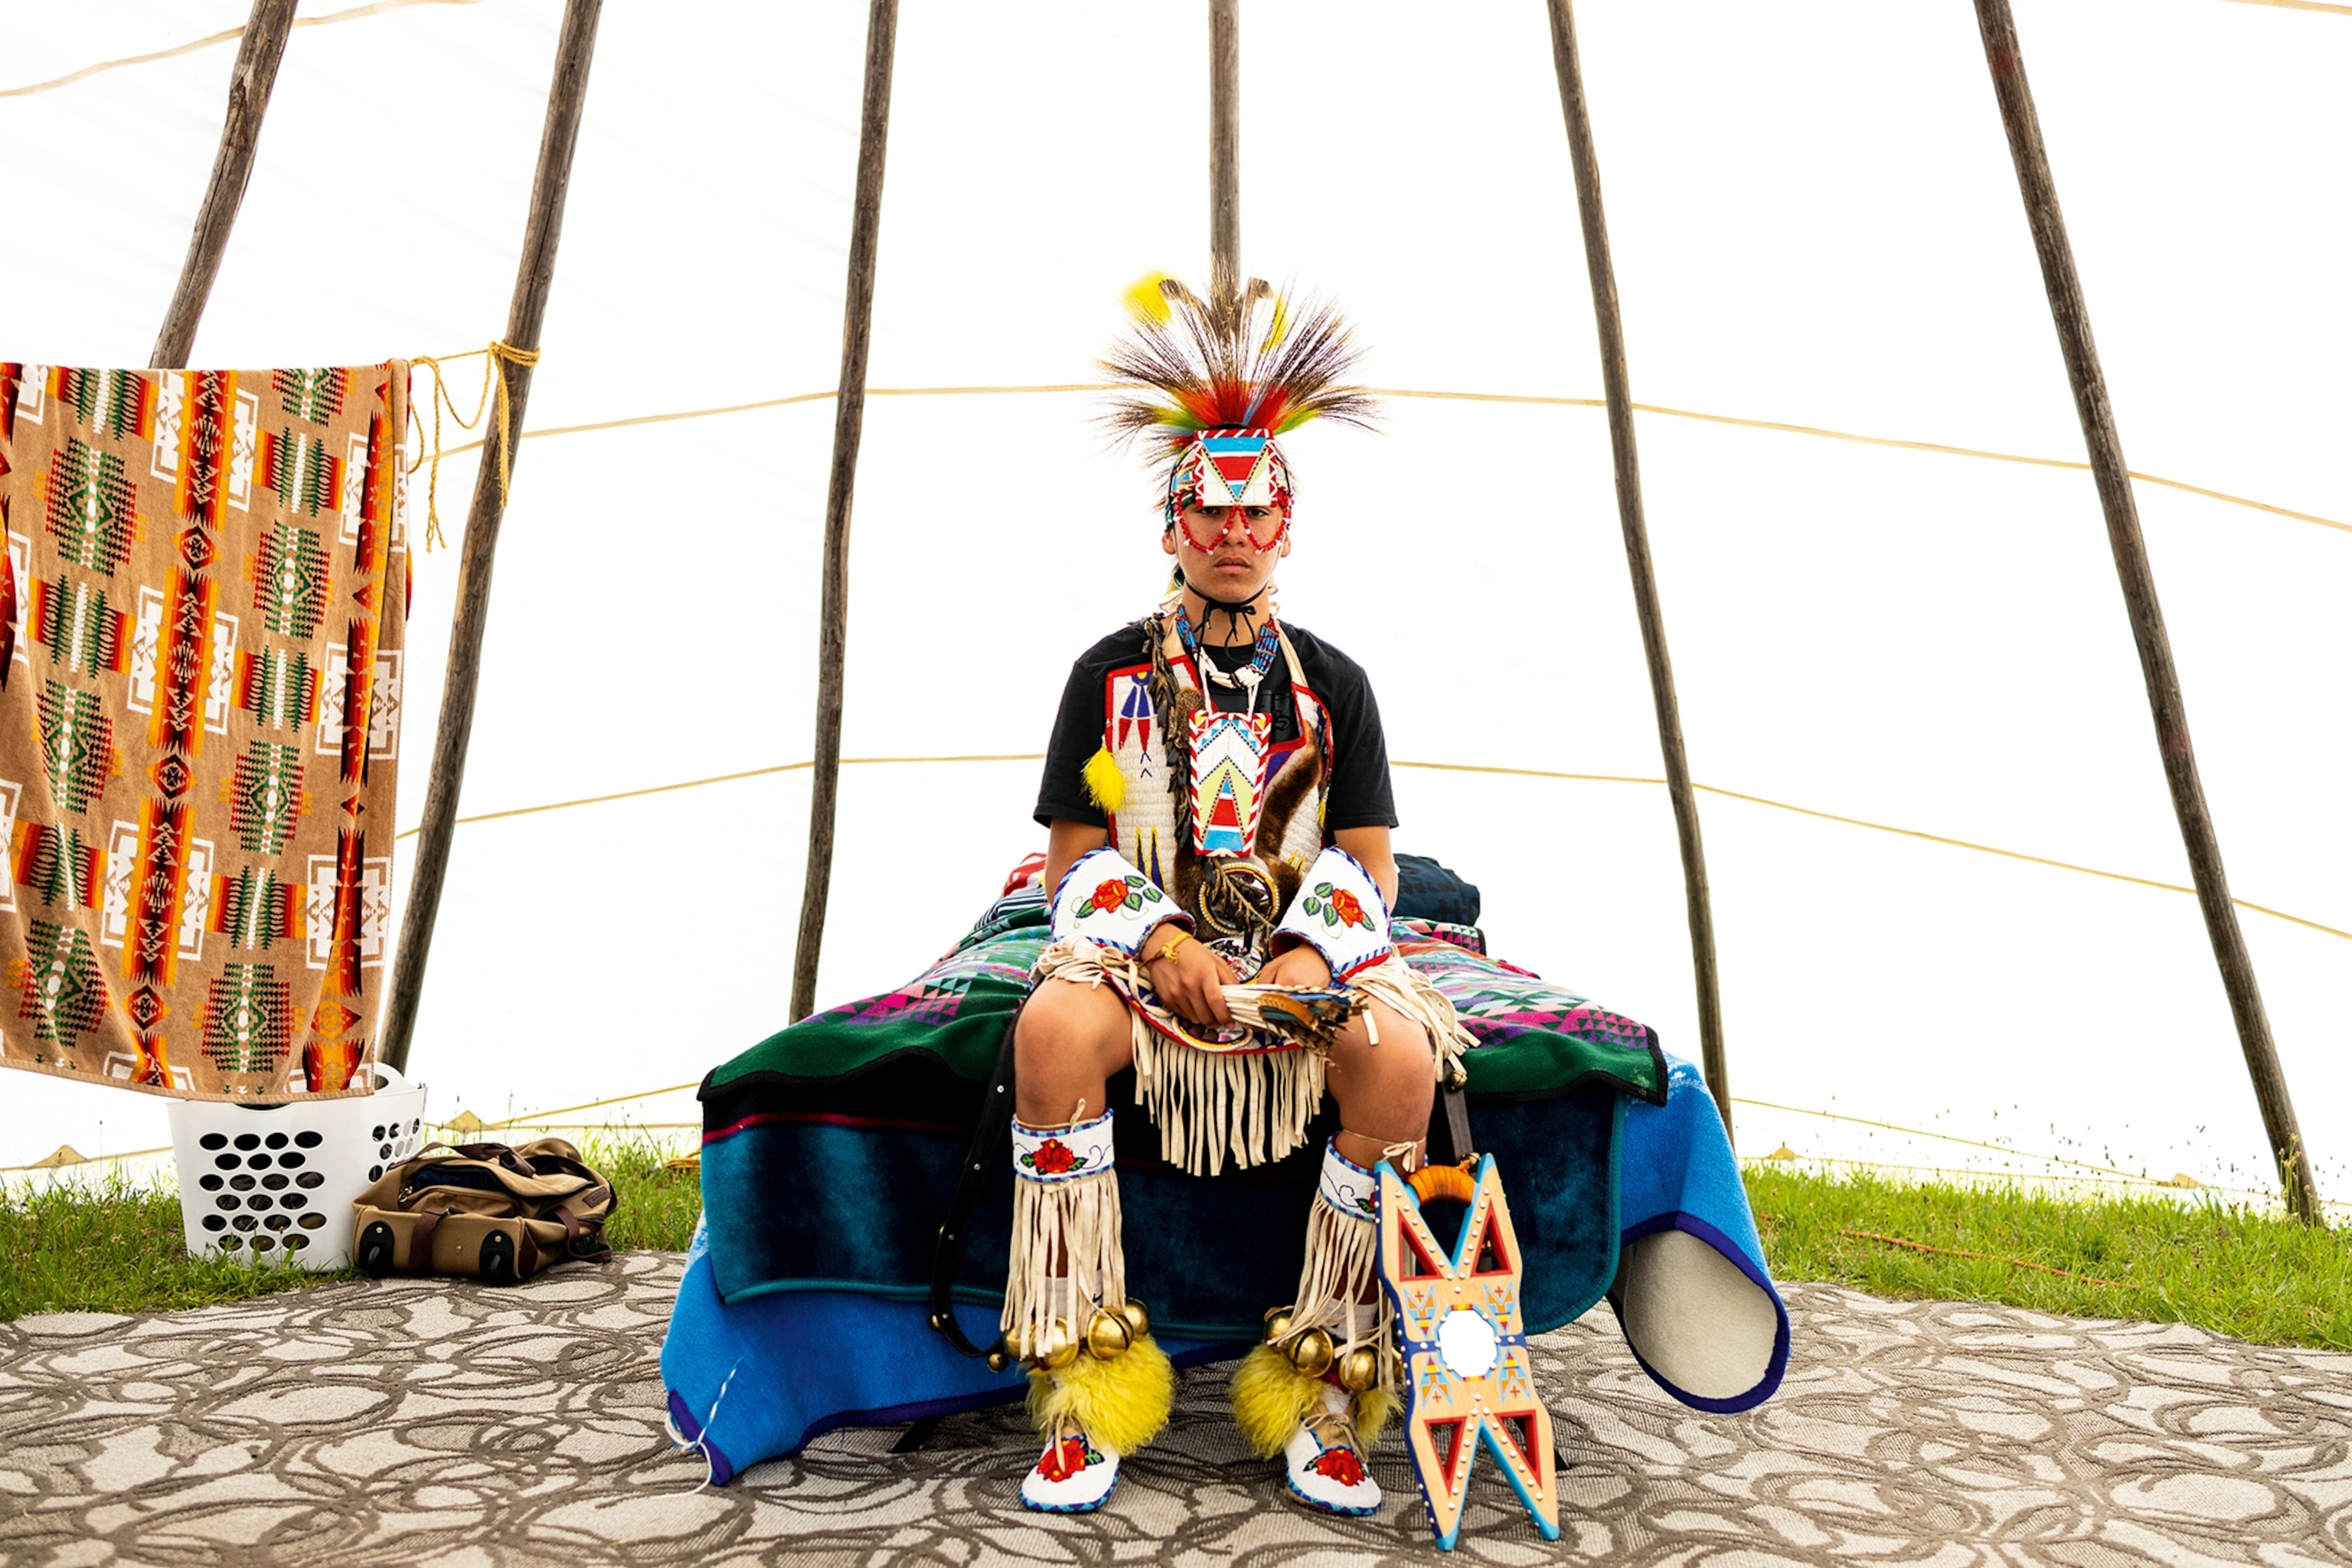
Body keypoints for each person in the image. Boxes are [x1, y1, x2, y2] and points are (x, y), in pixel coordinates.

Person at [1002, 274, 1471, 1515]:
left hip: (1299, 967)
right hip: (1143, 960)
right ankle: (1083, 1386)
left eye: (1252, 513)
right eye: (1204, 513)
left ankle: (1321, 1391)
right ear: (1170, 529)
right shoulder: (1106, 676)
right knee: (1049, 1030)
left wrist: (1313, 961)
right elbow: (1071, 862)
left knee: (1399, 1064)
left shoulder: (1337, 688)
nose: (1229, 532)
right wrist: (1157, 940)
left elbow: (1368, 865)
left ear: (1284, 531)